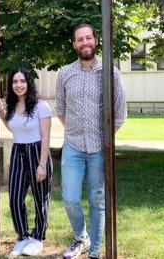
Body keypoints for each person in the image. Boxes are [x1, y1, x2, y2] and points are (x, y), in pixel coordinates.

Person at [55, 24, 126, 259]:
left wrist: (105, 138)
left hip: (99, 148)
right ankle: (81, 238)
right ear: (74, 44)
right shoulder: (64, 73)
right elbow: (61, 109)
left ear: (96, 41)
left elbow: (120, 112)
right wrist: (75, 130)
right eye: (79, 39)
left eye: (88, 38)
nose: (84, 43)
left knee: (97, 199)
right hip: (72, 147)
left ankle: (95, 250)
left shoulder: (110, 72)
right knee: (70, 199)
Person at [0, 68, 52, 257]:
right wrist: (3, 114)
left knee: (40, 199)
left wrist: (42, 164)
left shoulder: (41, 106)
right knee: (14, 197)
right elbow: (15, 129)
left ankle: (37, 237)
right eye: (14, 82)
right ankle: (22, 236)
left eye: (22, 81)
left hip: (37, 152)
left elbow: (45, 137)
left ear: (29, 83)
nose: (18, 85)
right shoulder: (12, 107)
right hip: (18, 152)